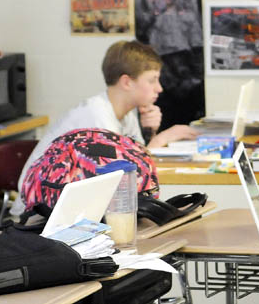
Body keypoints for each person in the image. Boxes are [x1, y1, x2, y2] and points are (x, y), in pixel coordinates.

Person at [16, 40, 198, 213]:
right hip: (38, 210)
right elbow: (124, 174)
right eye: (152, 80)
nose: (159, 88)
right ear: (126, 82)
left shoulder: (127, 114)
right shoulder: (96, 116)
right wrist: (161, 139)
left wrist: (151, 132)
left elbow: (138, 163)